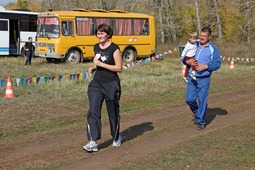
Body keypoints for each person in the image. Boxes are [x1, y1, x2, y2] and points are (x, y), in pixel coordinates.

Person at [83, 24, 122, 152]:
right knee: (93, 110)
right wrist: (93, 67)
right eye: (98, 33)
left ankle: (116, 137)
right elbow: (97, 63)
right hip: (97, 83)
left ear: (108, 34)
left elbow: (118, 68)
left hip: (111, 84)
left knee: (113, 113)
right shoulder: (96, 47)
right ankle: (92, 141)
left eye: (102, 33)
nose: (99, 36)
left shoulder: (114, 48)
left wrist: (101, 64)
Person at [182, 27, 221, 130]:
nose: (202, 38)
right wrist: (187, 62)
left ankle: (201, 121)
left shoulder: (213, 48)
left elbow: (217, 64)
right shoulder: (194, 44)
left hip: (204, 78)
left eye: (204, 36)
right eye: (201, 35)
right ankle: (198, 113)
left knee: (202, 100)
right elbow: (184, 58)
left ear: (209, 37)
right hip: (192, 77)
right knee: (189, 99)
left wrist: (206, 66)